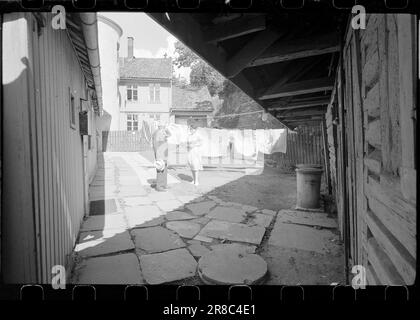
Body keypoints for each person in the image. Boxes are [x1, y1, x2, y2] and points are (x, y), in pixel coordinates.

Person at [152, 123, 171, 191]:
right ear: (160, 126)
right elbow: (156, 145)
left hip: (164, 154)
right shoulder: (158, 133)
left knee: (164, 170)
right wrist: (158, 157)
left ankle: (164, 185)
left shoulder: (162, 132)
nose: (164, 128)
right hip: (160, 155)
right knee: (160, 170)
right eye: (164, 126)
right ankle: (159, 187)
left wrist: (166, 130)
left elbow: (169, 134)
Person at [187, 121, 203, 186]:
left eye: (192, 129)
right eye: (190, 129)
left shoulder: (198, 135)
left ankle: (196, 181)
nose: (191, 130)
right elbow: (188, 143)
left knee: (195, 166)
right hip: (190, 151)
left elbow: (201, 143)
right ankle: (193, 179)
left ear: (195, 129)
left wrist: (195, 145)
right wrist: (188, 145)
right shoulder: (189, 136)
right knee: (192, 166)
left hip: (195, 151)